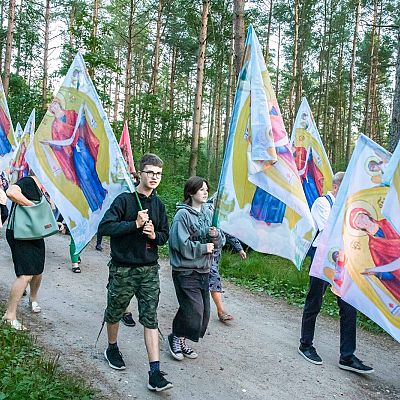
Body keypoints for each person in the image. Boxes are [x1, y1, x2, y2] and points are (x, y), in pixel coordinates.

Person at [98, 153, 172, 392]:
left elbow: (164, 235)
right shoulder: (125, 200)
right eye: (150, 172)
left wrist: (153, 235)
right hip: (122, 269)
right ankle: (112, 347)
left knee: (150, 317)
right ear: (140, 173)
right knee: (115, 311)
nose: (154, 177)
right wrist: (135, 224)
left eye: (158, 174)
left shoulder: (158, 205)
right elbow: (106, 227)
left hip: (149, 270)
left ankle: (155, 371)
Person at [298, 172, 374, 374]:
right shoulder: (323, 204)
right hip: (323, 259)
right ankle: (306, 344)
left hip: (343, 262)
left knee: (348, 306)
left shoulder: (350, 210)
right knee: (315, 301)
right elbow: (328, 230)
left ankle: (347, 356)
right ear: (337, 187)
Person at [168, 177, 225, 361]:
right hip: (185, 271)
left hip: (203, 270)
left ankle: (182, 340)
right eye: (201, 189)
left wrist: (215, 237)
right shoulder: (182, 215)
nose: (205, 192)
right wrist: (202, 248)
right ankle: (175, 338)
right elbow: (178, 244)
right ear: (191, 192)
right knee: (194, 310)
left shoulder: (209, 213)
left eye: (207, 189)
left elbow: (220, 242)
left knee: (202, 314)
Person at [43, 98, 107, 212]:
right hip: (74, 153)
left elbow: (82, 124)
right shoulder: (55, 125)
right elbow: (58, 146)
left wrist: (82, 114)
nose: (53, 105)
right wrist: (50, 143)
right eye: (51, 105)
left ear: (59, 104)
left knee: (92, 169)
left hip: (82, 146)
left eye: (54, 103)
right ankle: (96, 203)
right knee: (84, 176)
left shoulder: (71, 114)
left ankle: (103, 196)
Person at [2, 175, 46, 330]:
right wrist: (32, 207)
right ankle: (9, 315)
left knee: (38, 270)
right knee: (26, 274)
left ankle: (33, 299)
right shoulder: (29, 181)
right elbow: (11, 192)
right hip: (19, 234)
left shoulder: (44, 186)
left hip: (34, 233)